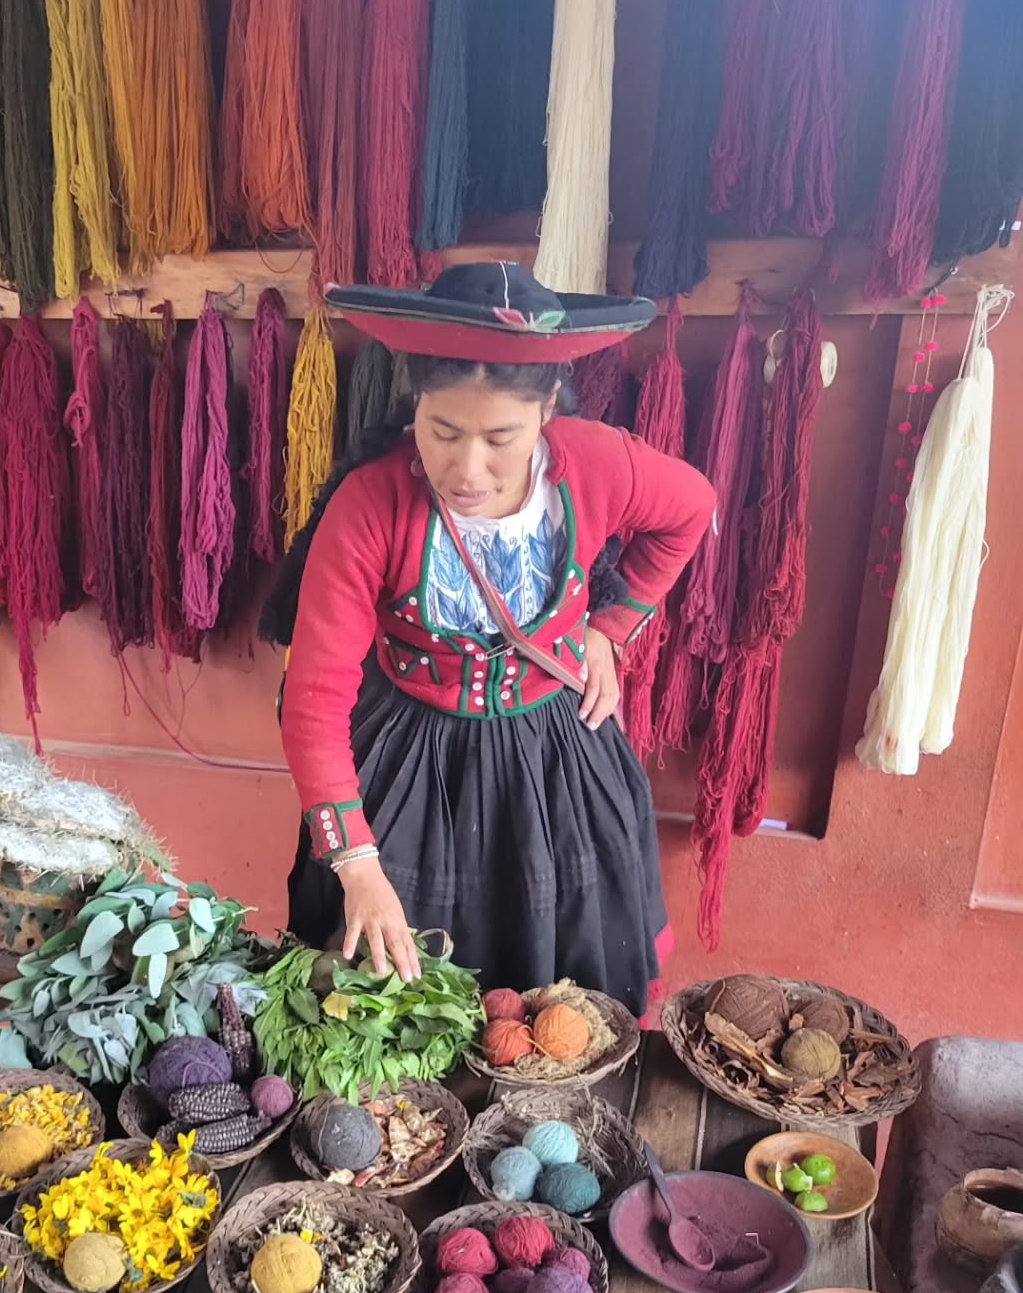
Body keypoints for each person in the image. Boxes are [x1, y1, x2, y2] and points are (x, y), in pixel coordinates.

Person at [262, 263, 714, 1013]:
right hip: (407, 772)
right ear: (416, 407)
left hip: (556, 765)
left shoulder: (596, 464)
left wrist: (613, 626)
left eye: (500, 437)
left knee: (559, 1002)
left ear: (547, 412)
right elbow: (313, 702)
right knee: (390, 1001)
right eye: (443, 431)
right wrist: (358, 867)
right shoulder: (370, 504)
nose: (467, 468)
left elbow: (690, 511)